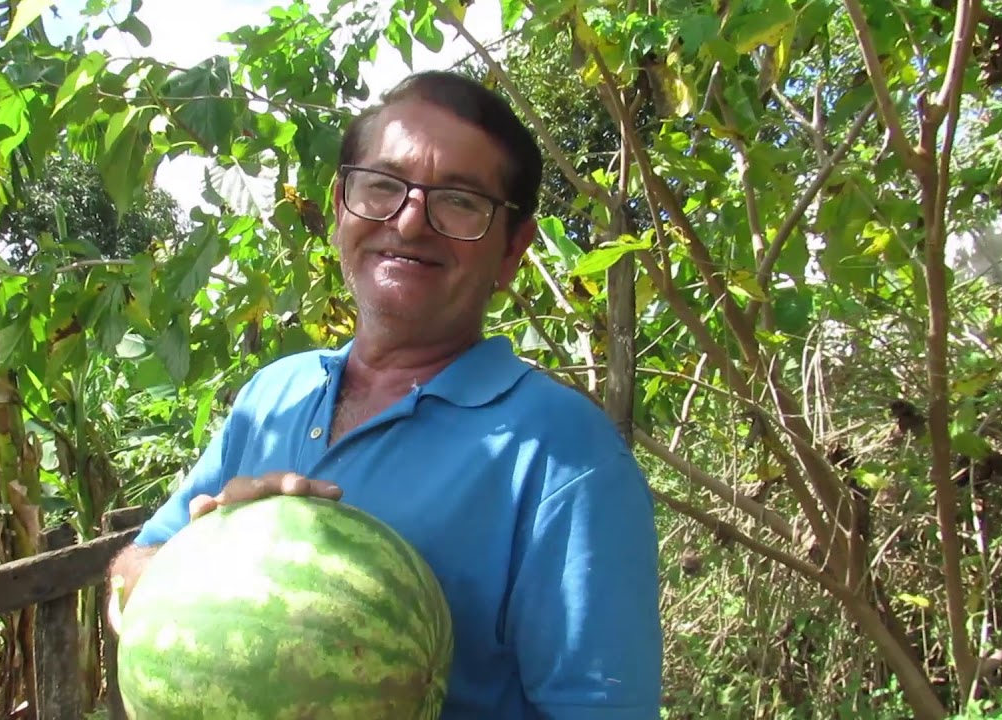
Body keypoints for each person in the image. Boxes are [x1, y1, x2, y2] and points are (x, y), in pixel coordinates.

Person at [107, 70, 663, 718]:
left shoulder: (566, 458)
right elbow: (130, 572)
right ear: (340, 209)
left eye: (459, 200)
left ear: (513, 249)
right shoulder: (272, 395)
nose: (410, 221)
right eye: (382, 185)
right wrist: (200, 555)